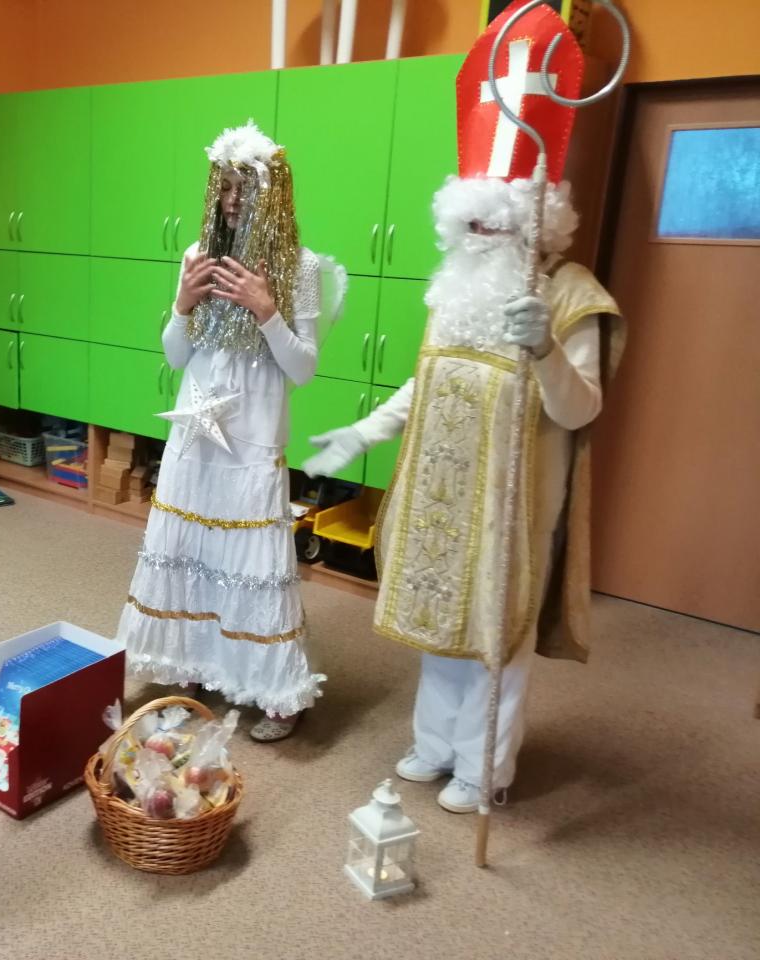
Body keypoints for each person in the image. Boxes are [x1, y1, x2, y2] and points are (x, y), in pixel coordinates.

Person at [303, 5, 624, 811]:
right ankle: (435, 744)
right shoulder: (455, 294)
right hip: (445, 492)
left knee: (494, 637)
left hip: (515, 503)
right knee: (438, 619)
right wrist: (363, 431)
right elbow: (429, 382)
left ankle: (485, 769)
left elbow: (581, 410)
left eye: (493, 223)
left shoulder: (571, 298)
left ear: (535, 223)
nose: (478, 236)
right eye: (468, 224)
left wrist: (545, 349)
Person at [117, 120, 346, 742]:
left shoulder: (299, 266)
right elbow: (175, 355)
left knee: (252, 563)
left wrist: (266, 309)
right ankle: (189, 667)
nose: (233, 201)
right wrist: (183, 305)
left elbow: (302, 368)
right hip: (194, 435)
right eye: (224, 187)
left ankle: (275, 692)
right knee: (191, 552)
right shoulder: (198, 254)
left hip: (251, 438)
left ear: (275, 194)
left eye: (247, 189)